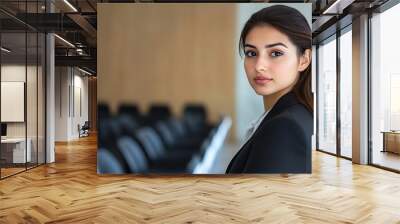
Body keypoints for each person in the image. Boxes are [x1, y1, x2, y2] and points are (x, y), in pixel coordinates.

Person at [226, 5, 313, 174]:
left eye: (275, 53)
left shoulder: (285, 128)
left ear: (304, 59)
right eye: (251, 53)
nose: (259, 66)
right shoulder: (295, 115)